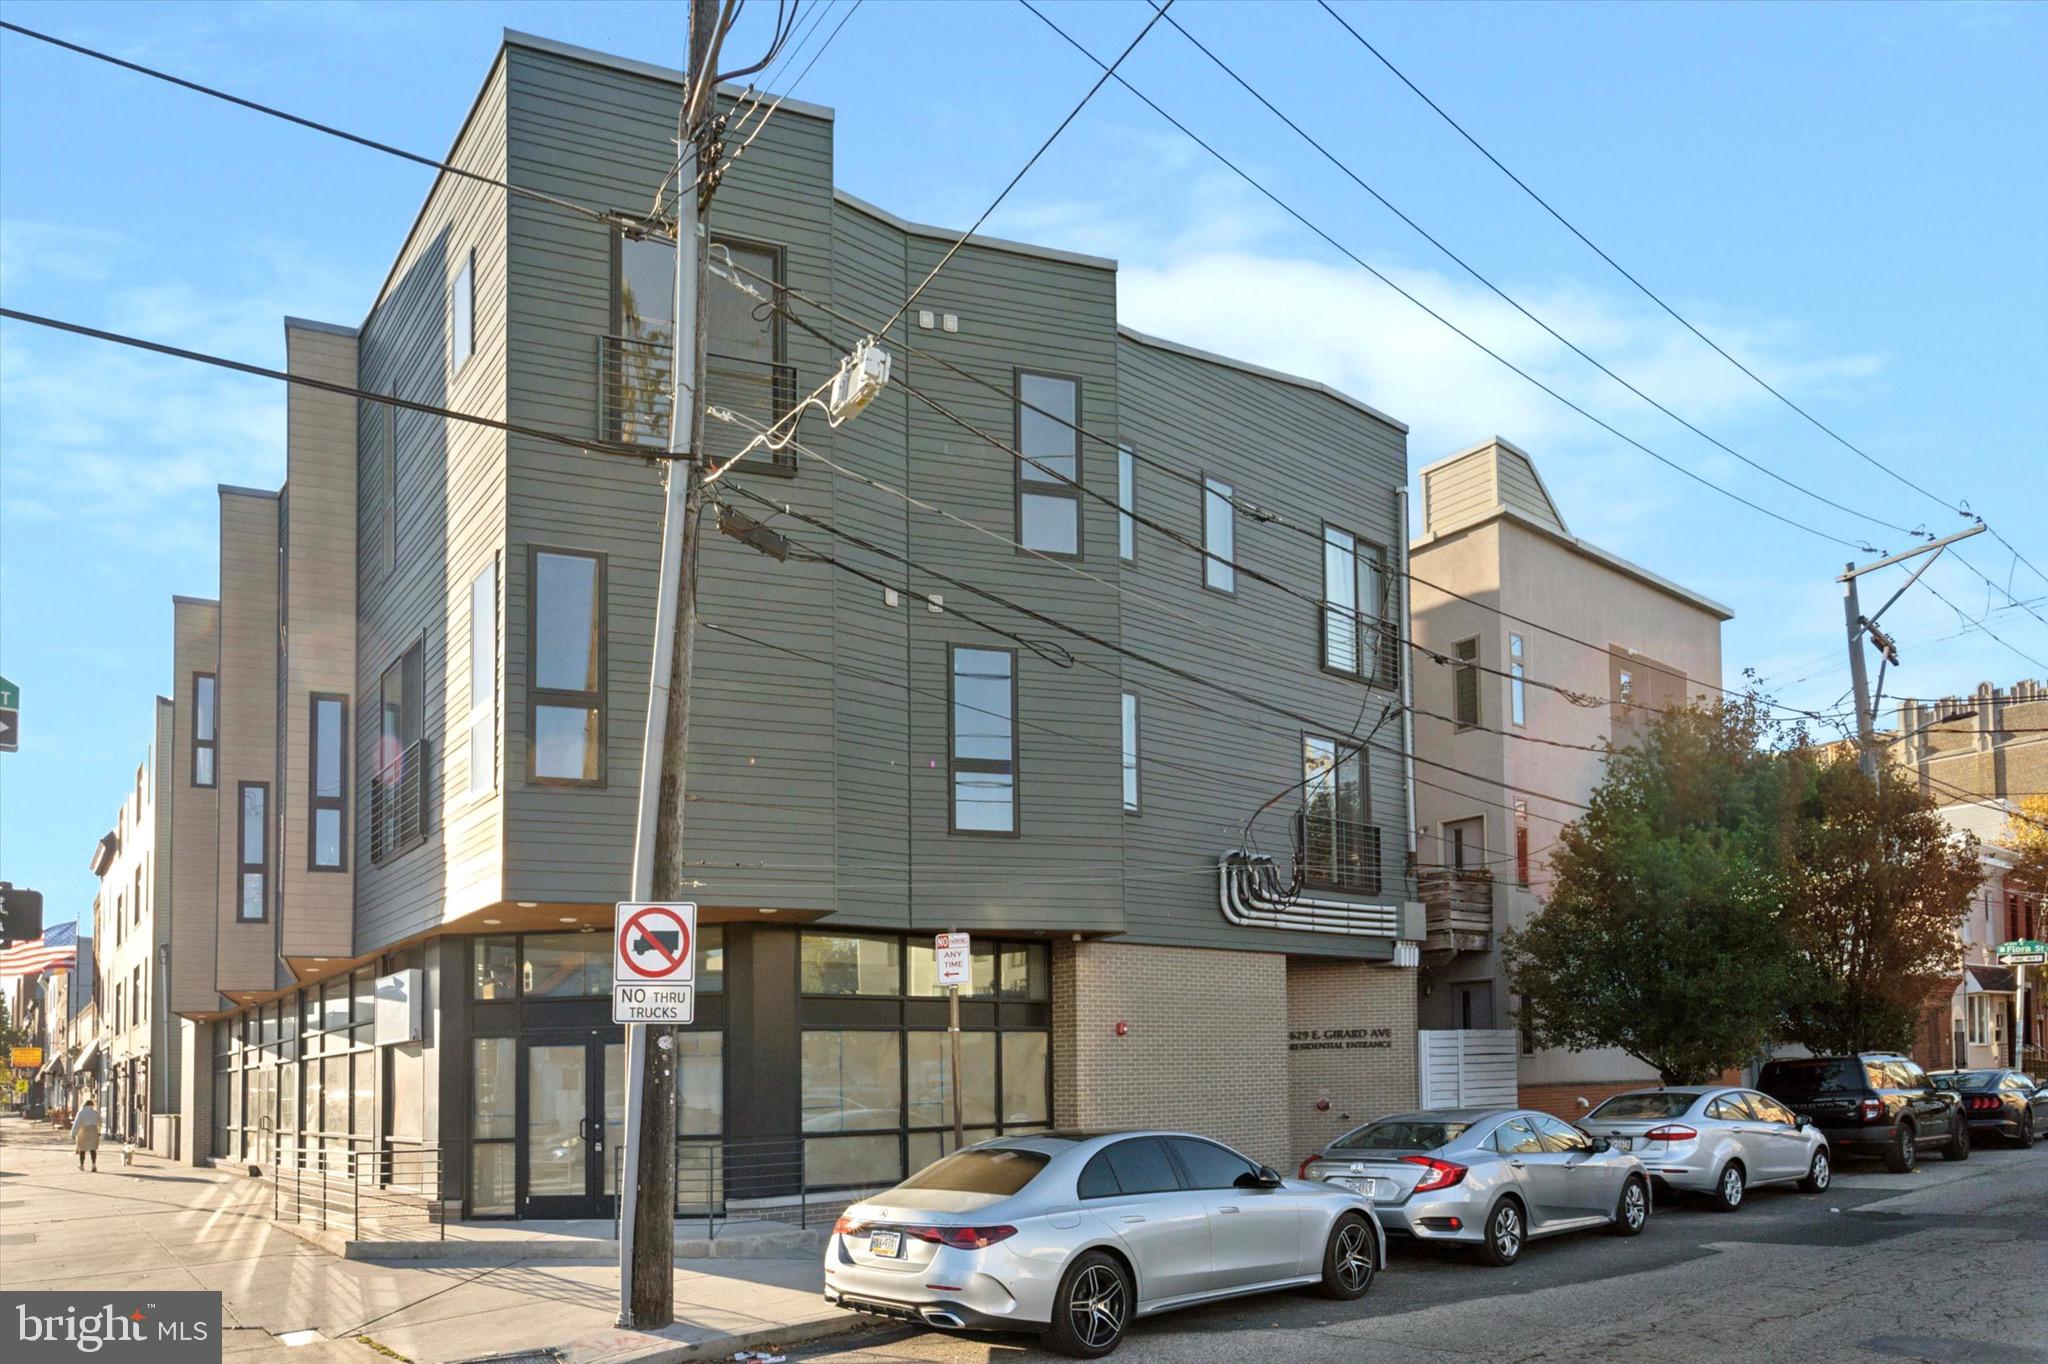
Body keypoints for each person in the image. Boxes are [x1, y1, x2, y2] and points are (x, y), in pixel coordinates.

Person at [72, 1095, 101, 1172]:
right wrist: (99, 1131)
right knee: (93, 1149)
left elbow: (76, 1124)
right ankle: (94, 1165)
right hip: (93, 1131)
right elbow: (99, 1123)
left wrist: (73, 1134)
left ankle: (82, 1165)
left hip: (83, 1131)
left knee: (82, 1149)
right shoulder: (95, 1113)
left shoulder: (81, 1112)